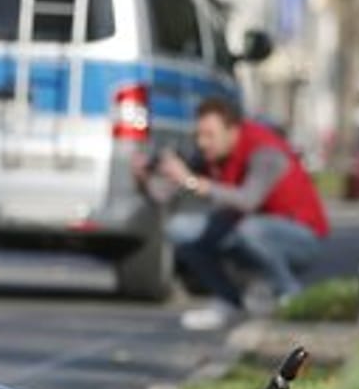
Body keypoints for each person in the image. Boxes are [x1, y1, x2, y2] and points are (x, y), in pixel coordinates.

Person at [133, 97, 330, 331]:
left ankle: (290, 297)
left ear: (232, 130)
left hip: (300, 237)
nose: (202, 143)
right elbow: (164, 196)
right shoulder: (212, 154)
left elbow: (247, 200)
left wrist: (191, 180)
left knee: (249, 228)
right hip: (247, 233)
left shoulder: (266, 151)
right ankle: (229, 301)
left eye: (209, 135)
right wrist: (145, 180)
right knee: (179, 229)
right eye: (199, 135)